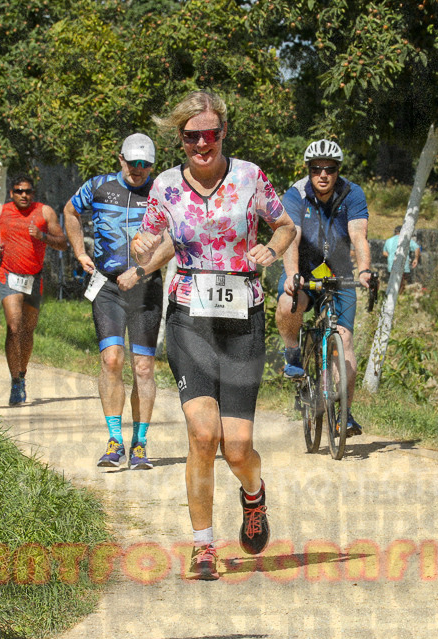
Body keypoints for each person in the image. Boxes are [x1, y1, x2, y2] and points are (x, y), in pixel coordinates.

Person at [131, 90, 296, 580]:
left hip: (244, 318)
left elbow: (285, 225)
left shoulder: (249, 176)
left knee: (238, 448)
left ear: (224, 133)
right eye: (191, 136)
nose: (202, 144)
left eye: (211, 134)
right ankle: (203, 545)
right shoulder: (164, 186)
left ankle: (253, 495)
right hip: (189, 316)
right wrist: (139, 246)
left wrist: (271, 247)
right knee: (204, 436)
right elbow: (149, 242)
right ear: (179, 138)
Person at [64, 134, 174, 470]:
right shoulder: (98, 186)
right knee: (112, 360)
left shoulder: (161, 193)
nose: (139, 170)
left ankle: (140, 444)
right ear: (120, 159)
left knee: (142, 367)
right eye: (133, 163)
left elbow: (171, 242)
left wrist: (141, 271)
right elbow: (70, 210)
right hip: (107, 288)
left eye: (146, 165)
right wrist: (80, 251)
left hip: (146, 288)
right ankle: (115, 441)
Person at [274, 139, 372, 439]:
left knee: (345, 343)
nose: (323, 175)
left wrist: (365, 269)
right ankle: (293, 352)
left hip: (339, 272)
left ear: (337, 170)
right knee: (288, 303)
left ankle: (344, 415)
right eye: (316, 169)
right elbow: (292, 235)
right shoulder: (296, 194)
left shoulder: (352, 193)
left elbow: (359, 235)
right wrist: (292, 275)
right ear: (309, 170)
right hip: (304, 271)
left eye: (329, 169)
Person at [0, 175, 68, 405]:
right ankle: (14, 381)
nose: (24, 195)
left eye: (28, 192)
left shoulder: (45, 212)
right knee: (14, 326)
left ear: (33, 193)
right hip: (8, 276)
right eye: (19, 191)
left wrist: (42, 236)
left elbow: (62, 242)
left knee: (27, 331)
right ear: (11, 193)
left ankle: (22, 375)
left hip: (33, 278)